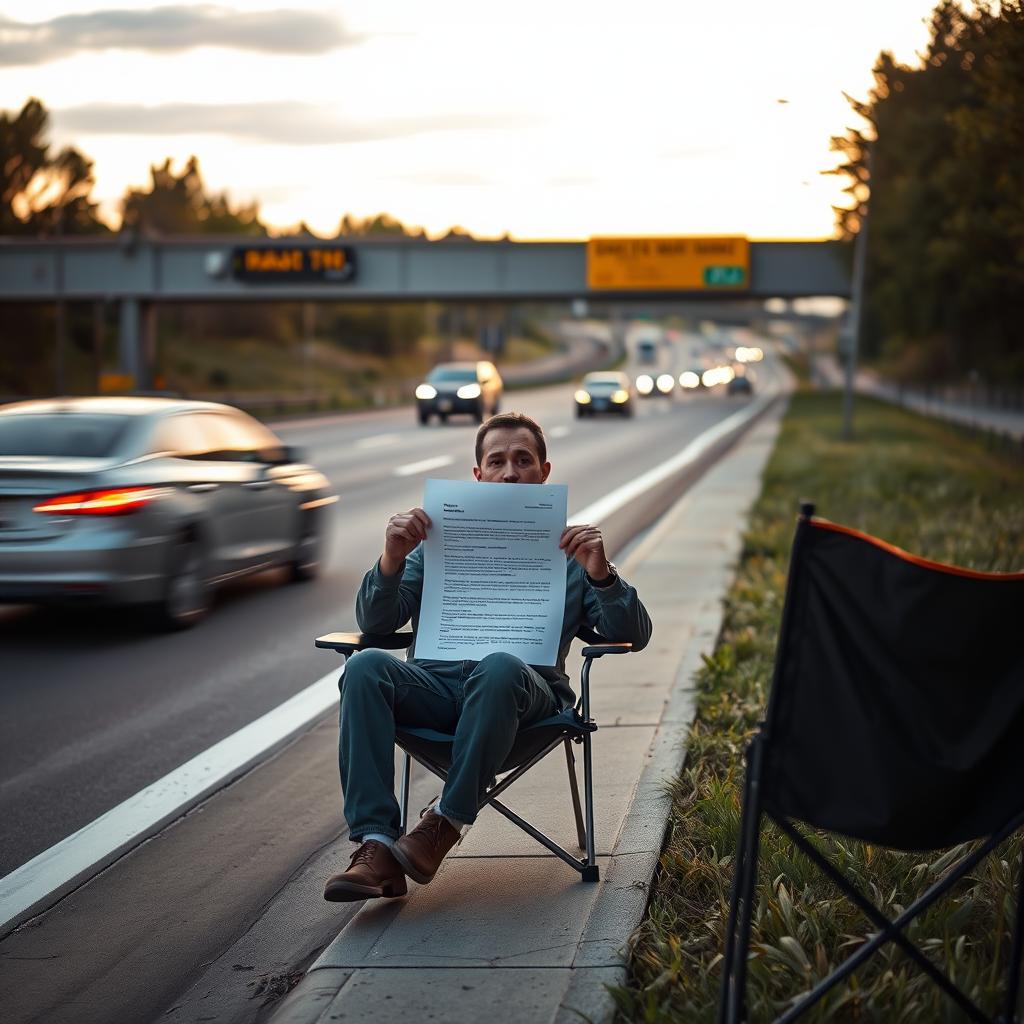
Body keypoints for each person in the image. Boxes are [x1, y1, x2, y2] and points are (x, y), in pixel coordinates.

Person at [324, 411, 653, 901]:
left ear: (544, 472)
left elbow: (633, 633)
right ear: (478, 476)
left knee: (498, 665)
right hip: (436, 691)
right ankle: (375, 849)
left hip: (524, 700)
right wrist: (392, 558)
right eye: (497, 461)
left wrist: (602, 575)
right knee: (365, 665)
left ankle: (445, 821)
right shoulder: (435, 543)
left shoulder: (570, 553)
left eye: (524, 460)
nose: (510, 471)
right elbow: (376, 623)